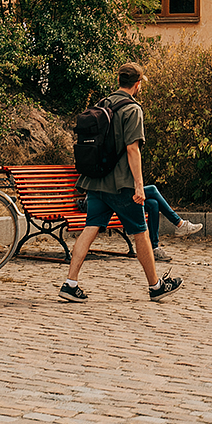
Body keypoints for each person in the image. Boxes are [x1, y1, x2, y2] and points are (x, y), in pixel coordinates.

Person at [60, 62, 183, 302]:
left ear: (119, 80)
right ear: (137, 84)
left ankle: (70, 283)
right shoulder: (132, 109)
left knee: (89, 229)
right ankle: (156, 287)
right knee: (141, 233)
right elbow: (132, 149)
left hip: (96, 182)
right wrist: (139, 185)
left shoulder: (103, 103)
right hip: (121, 185)